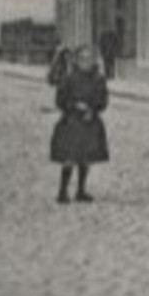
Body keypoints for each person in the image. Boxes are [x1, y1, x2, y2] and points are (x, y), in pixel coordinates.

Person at [50, 45, 109, 203]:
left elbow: (103, 101)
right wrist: (75, 106)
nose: (86, 62)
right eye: (83, 58)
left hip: (90, 123)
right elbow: (59, 100)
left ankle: (81, 191)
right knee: (69, 157)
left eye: (89, 59)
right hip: (72, 122)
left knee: (86, 158)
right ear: (77, 60)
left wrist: (93, 110)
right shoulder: (69, 78)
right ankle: (62, 192)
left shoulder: (98, 80)